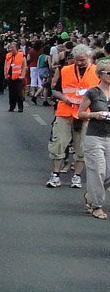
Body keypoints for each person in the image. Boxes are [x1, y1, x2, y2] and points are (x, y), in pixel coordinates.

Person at [47, 44, 96, 189]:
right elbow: (56, 91)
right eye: (77, 60)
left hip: (86, 114)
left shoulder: (96, 72)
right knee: (58, 143)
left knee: (82, 146)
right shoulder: (65, 70)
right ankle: (55, 175)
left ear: (89, 57)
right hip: (65, 112)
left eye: (82, 60)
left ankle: (77, 176)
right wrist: (65, 99)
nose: (79, 63)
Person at [77, 58, 110, 220]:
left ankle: (91, 195)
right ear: (100, 74)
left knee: (108, 174)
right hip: (95, 136)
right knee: (97, 171)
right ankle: (97, 205)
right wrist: (94, 115)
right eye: (108, 73)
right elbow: (80, 113)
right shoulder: (93, 92)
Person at [4, 39, 26, 113]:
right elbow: (5, 65)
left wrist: (22, 75)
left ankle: (20, 107)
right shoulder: (8, 56)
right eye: (10, 47)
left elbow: (24, 66)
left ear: (16, 48)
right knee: (11, 93)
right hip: (10, 77)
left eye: (12, 47)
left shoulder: (21, 56)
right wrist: (5, 75)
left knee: (18, 93)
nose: (11, 49)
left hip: (18, 77)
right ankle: (12, 106)